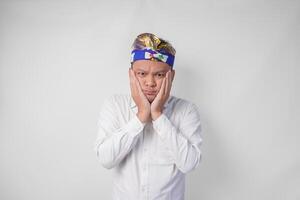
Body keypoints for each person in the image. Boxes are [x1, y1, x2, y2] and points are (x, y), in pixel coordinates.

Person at [94, 33, 203, 200]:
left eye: (159, 75)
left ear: (171, 76)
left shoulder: (186, 110)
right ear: (131, 75)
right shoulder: (115, 105)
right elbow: (106, 159)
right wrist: (141, 116)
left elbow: (189, 164)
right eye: (142, 74)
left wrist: (158, 115)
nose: (150, 83)